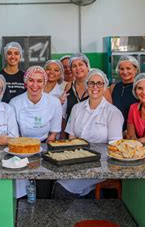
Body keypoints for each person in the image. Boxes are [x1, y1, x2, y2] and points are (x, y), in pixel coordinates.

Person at [54, 69, 123, 199]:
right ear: (87, 86)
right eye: (91, 83)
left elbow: (115, 147)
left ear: (105, 87)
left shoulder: (113, 113)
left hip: (102, 164)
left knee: (62, 188)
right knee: (56, 180)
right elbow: (72, 138)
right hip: (78, 160)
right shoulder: (77, 108)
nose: (95, 87)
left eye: (99, 83)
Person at [10, 66, 63, 198]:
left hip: (44, 148)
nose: (35, 85)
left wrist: (44, 154)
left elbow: (53, 133)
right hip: (21, 149)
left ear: (44, 83)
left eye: (39, 81)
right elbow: (14, 134)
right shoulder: (15, 103)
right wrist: (24, 151)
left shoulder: (54, 102)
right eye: (31, 80)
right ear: (25, 82)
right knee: (21, 189)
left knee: (43, 189)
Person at [109, 55, 139, 131]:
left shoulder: (139, 87)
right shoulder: (113, 87)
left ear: (135, 69)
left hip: (134, 131)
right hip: (116, 129)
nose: (125, 72)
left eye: (128, 68)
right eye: (122, 69)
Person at [44, 59, 69, 138]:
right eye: (48, 69)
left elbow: (62, 119)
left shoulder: (62, 94)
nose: (51, 72)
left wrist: (62, 137)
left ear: (60, 74)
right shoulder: (36, 89)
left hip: (53, 136)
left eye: (56, 70)